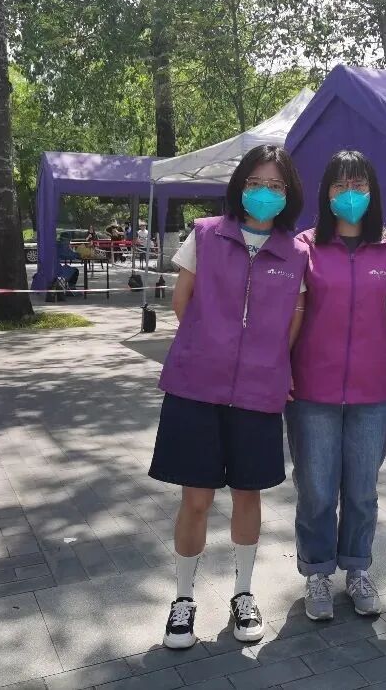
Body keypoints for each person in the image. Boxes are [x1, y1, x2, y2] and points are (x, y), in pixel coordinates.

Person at [150, 144, 307, 650]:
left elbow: (295, 319)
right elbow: (182, 301)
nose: (264, 192)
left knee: (247, 494)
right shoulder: (205, 234)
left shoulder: (296, 253)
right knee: (195, 498)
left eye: (275, 185)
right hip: (197, 387)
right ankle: (183, 599)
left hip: (259, 391)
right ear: (240, 186)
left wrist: (265, 361)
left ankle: (243, 593)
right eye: (255, 183)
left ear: (288, 194)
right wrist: (213, 348)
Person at [287, 150, 386, 621]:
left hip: (371, 391)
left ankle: (357, 568)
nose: (349, 194)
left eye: (359, 185)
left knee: (362, 490)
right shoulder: (305, 247)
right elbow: (287, 314)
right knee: (316, 489)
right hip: (311, 388)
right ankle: (317, 571)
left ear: (372, 192)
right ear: (326, 193)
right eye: (340, 185)